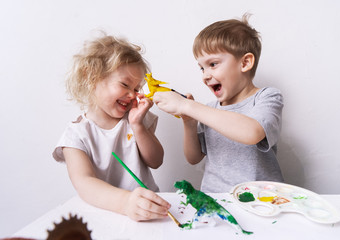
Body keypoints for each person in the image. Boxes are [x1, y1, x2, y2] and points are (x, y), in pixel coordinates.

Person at [153, 14, 284, 193]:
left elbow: (252, 132)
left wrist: (188, 106)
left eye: (213, 64)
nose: (205, 75)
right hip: (216, 197)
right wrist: (189, 122)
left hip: (260, 199)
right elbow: (194, 157)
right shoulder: (210, 110)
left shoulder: (267, 97)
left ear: (245, 63)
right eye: (202, 68)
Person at [53, 34, 171, 221]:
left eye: (137, 88)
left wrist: (138, 126)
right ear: (91, 77)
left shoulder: (136, 119)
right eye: (125, 84)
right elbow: (84, 182)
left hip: (148, 211)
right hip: (106, 215)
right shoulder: (75, 135)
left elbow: (156, 161)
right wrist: (125, 202)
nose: (132, 95)